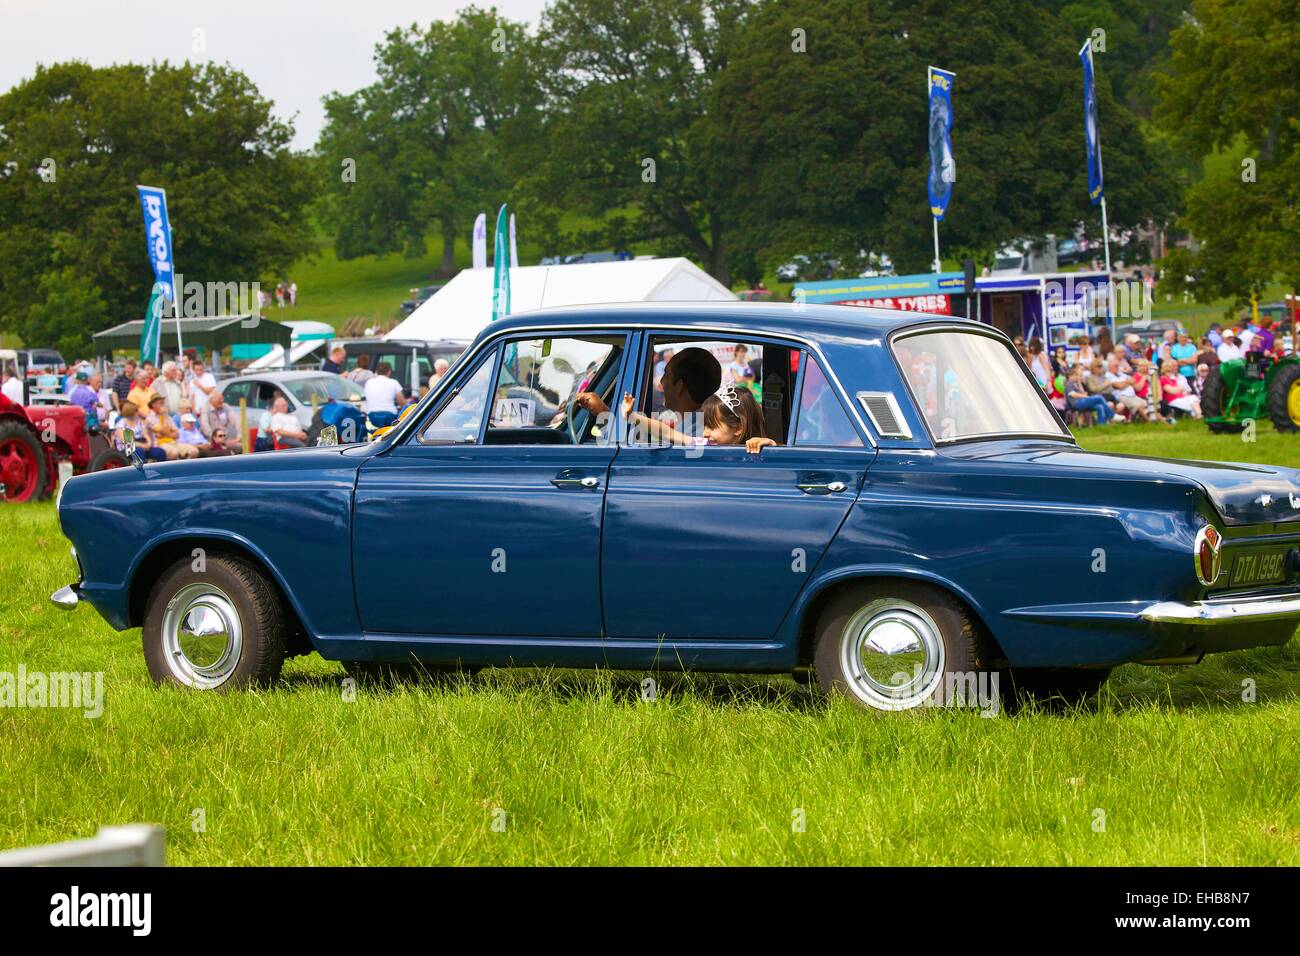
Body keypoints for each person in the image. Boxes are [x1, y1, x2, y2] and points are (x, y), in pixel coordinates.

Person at [576, 347, 722, 427]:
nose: (662, 383)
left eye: (667, 375)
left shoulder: (692, 430)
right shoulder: (698, 424)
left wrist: (603, 412)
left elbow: (633, 443)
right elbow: (645, 437)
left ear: (679, 386)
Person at [620, 382, 776, 453]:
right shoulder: (706, 445)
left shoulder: (755, 449)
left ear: (738, 428)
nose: (705, 432)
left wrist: (767, 443)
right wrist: (632, 416)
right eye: (705, 426)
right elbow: (667, 432)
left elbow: (781, 453)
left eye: (712, 426)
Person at [146, 394, 198, 459]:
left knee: (194, 451)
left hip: (173, 442)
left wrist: (166, 434)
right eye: (161, 403)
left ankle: (185, 468)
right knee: (174, 453)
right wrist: (164, 415)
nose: (163, 405)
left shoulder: (168, 417)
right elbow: (161, 430)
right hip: (159, 444)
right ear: (153, 405)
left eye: (163, 403)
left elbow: (177, 434)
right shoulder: (150, 418)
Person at [1104, 354, 1153, 422]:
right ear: (1110, 367)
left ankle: (1152, 421)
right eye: (1116, 366)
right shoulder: (1108, 376)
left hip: (1133, 396)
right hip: (1123, 396)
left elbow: (1133, 381)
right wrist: (1128, 383)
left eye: (1118, 365)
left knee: (1146, 403)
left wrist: (1125, 383)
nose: (1118, 367)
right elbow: (1119, 386)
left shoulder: (1121, 373)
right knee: (1139, 405)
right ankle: (1151, 422)